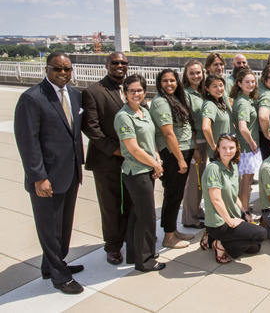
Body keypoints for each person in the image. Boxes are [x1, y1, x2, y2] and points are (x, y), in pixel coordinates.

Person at [15, 52, 85, 294]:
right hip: (47, 178)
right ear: (47, 69)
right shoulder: (32, 98)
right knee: (49, 228)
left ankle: (53, 264)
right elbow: (28, 142)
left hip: (71, 173)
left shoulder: (75, 95)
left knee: (64, 226)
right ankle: (59, 276)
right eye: (58, 68)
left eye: (67, 68)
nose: (63, 73)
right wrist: (38, 177)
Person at [81, 52, 131, 265]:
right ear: (107, 65)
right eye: (115, 63)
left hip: (132, 157)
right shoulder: (93, 92)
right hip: (107, 158)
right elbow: (91, 127)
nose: (119, 66)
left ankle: (130, 236)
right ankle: (112, 246)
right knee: (110, 204)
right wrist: (116, 150)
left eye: (123, 63)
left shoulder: (131, 88)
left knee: (131, 200)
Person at [114, 74, 166, 272]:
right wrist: (156, 165)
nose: (136, 94)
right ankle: (146, 260)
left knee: (138, 214)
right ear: (124, 93)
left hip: (148, 168)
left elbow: (150, 141)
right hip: (136, 172)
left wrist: (156, 161)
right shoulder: (123, 116)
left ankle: (136, 254)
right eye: (132, 91)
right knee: (147, 217)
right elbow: (134, 149)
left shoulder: (144, 111)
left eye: (140, 90)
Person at [150, 69, 199, 249]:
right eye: (165, 81)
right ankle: (168, 237)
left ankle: (173, 230)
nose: (169, 84)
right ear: (159, 83)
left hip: (184, 150)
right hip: (172, 154)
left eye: (172, 80)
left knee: (176, 194)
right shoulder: (161, 102)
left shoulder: (176, 98)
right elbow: (168, 133)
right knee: (172, 194)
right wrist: (180, 159)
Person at [202, 134, 267, 263]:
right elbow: (216, 200)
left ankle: (211, 239)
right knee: (261, 234)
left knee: (254, 248)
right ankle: (219, 244)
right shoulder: (213, 169)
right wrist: (231, 222)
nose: (228, 151)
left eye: (231, 148)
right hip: (220, 222)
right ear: (218, 149)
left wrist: (245, 212)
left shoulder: (233, 166)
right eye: (224, 148)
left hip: (234, 216)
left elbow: (234, 196)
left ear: (237, 148)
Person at [231, 68, 262, 212]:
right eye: (247, 82)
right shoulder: (243, 102)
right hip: (246, 148)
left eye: (253, 81)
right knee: (246, 181)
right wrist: (252, 142)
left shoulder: (246, 99)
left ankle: (242, 207)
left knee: (246, 180)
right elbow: (243, 127)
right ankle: (243, 210)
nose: (251, 84)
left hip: (247, 146)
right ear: (239, 83)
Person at [181, 60, 207, 229]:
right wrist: (195, 148)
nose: (196, 76)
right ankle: (189, 218)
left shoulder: (203, 92)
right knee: (193, 182)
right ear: (186, 75)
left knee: (200, 179)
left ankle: (197, 209)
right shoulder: (186, 94)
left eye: (198, 73)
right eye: (192, 73)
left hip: (205, 141)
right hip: (195, 142)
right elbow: (187, 122)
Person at [202, 74, 233, 161]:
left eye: (221, 85)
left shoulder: (221, 102)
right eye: (215, 86)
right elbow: (205, 128)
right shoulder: (209, 105)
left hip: (227, 152)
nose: (219, 89)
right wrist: (213, 146)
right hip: (219, 155)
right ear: (207, 88)